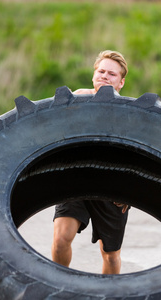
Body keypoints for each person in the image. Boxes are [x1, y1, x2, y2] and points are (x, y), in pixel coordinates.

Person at [51, 50, 129, 274]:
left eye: (112, 74)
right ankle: (59, 287)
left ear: (121, 82)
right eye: (101, 71)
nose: (105, 76)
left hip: (111, 190)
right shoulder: (76, 100)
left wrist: (128, 191)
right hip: (75, 180)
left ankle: (108, 295)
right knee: (61, 239)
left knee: (111, 256)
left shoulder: (130, 113)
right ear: (94, 75)